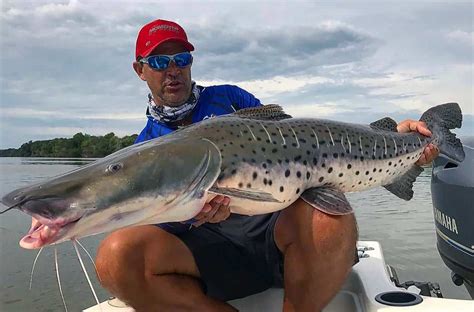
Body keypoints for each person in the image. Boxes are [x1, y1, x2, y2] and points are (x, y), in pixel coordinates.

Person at [94, 19, 439, 312]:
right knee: (115, 255)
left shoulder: (230, 98)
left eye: (181, 58)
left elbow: (293, 136)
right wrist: (194, 215)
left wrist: (396, 137)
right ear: (140, 70)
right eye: (158, 62)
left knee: (331, 217)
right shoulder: (145, 149)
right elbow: (159, 229)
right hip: (208, 250)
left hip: (271, 228)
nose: (172, 70)